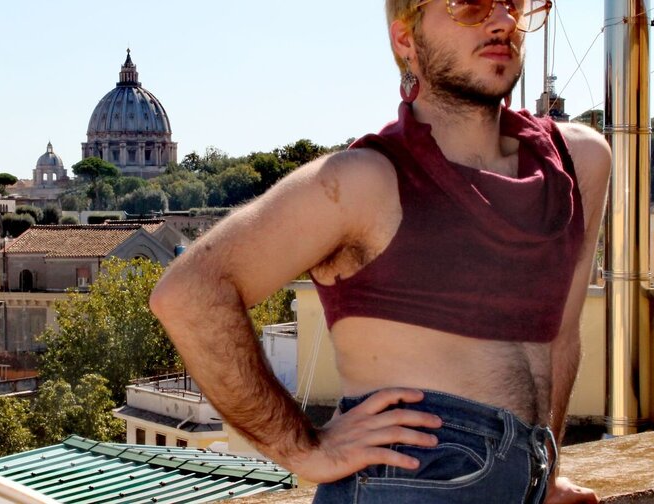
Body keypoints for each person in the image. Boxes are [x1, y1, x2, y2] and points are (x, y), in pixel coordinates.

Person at [150, 0, 609, 502]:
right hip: (408, 484)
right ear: (406, 40)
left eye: (514, 4)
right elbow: (189, 292)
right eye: (470, 5)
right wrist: (302, 448)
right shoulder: (365, 181)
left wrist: (545, 473)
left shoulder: (580, 161)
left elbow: (560, 338)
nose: (502, 21)